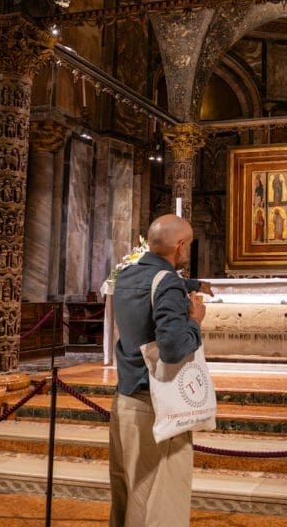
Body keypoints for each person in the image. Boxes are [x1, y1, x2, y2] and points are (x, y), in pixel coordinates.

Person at [110, 214, 212, 527]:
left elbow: (157, 282)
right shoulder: (167, 283)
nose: (187, 251)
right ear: (180, 246)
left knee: (128, 493)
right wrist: (195, 321)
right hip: (157, 406)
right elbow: (173, 347)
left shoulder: (126, 274)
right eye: (189, 245)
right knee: (158, 501)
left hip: (124, 399)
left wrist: (192, 284)